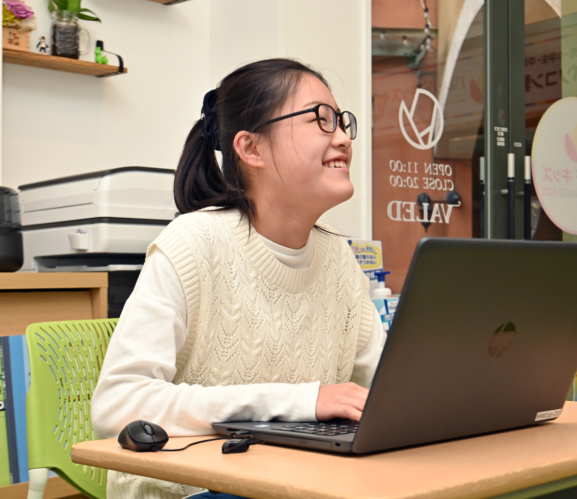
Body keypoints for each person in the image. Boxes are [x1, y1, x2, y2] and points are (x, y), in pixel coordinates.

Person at [91, 58, 386, 499]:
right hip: (194, 493)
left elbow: (387, 391)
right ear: (251, 149)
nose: (343, 137)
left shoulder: (341, 264)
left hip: (300, 485)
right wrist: (302, 402)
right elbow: (118, 404)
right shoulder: (193, 244)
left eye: (342, 122)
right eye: (321, 120)